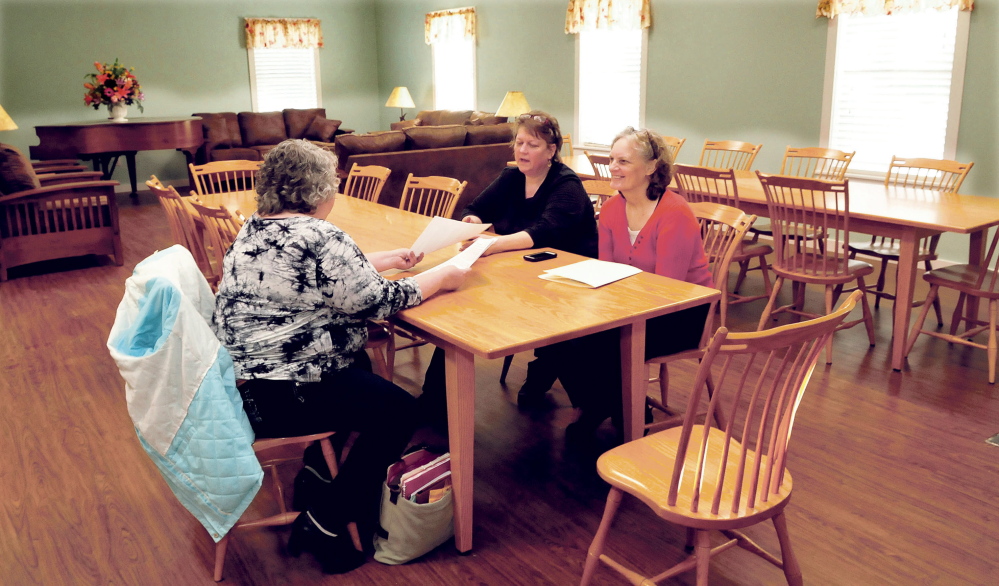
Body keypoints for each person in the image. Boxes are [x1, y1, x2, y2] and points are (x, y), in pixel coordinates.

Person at [212, 140, 468, 574]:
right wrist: (441, 277)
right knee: (400, 411)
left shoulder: (256, 227)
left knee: (360, 367)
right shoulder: (320, 235)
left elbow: (303, 275)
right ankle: (329, 517)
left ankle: (315, 476)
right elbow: (379, 302)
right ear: (317, 190)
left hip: (248, 384)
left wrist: (382, 259)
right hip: (287, 393)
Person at [420, 110, 598, 419]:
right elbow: (475, 208)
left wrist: (490, 244)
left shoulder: (567, 185)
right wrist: (472, 222)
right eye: (520, 143)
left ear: (552, 150)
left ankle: (589, 399)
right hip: (523, 274)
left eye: (533, 144)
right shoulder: (511, 177)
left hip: (568, 283)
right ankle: (434, 398)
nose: (523, 151)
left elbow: (543, 231)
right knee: (456, 308)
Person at [555, 127, 713, 444]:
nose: (613, 167)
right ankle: (617, 404)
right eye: (612, 159)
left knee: (601, 341)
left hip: (682, 314)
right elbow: (606, 270)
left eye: (623, 161)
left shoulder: (675, 212)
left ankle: (617, 409)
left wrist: (611, 312)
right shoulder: (613, 207)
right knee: (560, 336)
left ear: (652, 167)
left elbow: (667, 291)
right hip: (629, 305)